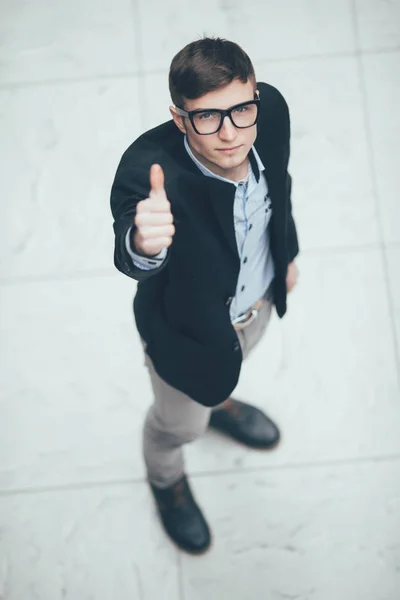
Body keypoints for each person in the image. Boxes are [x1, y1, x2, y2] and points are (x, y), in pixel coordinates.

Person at [110, 37, 299, 554]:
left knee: (225, 372)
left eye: (241, 110)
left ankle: (219, 398)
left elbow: (278, 189)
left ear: (255, 96)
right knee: (177, 427)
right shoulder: (147, 167)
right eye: (207, 118)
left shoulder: (271, 111)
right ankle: (166, 483)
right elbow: (130, 247)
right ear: (179, 118)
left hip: (254, 305)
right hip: (184, 331)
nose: (231, 132)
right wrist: (143, 242)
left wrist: (288, 255)